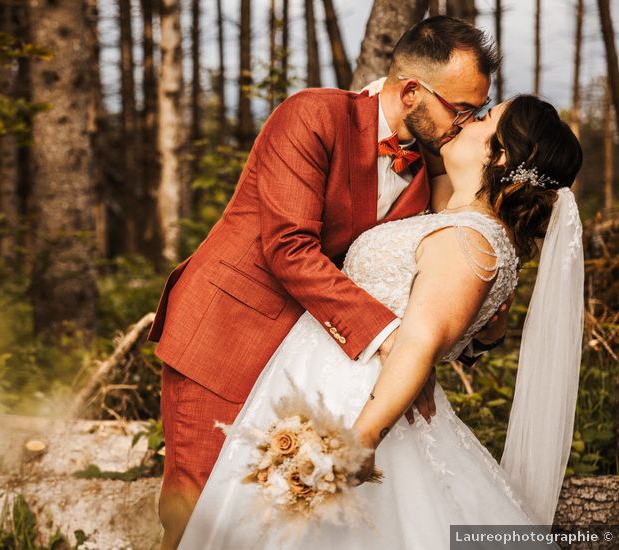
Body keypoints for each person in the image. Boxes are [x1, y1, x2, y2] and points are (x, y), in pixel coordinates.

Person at [146, 17, 506, 549]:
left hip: (308, 362)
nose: (466, 124)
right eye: (461, 110)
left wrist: (458, 331)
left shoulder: (430, 168)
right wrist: (393, 342)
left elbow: (445, 261)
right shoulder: (313, 114)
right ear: (411, 92)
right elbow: (288, 249)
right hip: (225, 337)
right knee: (198, 511)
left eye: (477, 111)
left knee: (271, 514)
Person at [179, 94, 584, 548]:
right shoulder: (464, 219)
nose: (465, 119)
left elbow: (420, 341)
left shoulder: (469, 241)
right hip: (318, 378)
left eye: (485, 117)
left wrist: (362, 439)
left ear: (501, 153)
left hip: (356, 403)